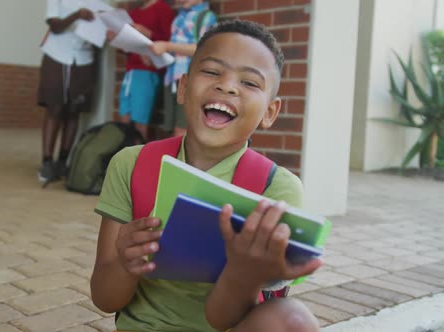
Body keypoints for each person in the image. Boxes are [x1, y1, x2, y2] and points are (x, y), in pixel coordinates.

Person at [91, 20, 323, 331]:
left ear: (269, 112)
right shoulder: (132, 165)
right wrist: (126, 263)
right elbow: (104, 298)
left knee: (291, 319)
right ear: (184, 88)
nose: (227, 86)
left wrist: (242, 272)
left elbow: (221, 318)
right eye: (212, 72)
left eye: (250, 83)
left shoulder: (275, 189)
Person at [37, 0, 98, 184]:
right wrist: (77, 15)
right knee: (54, 109)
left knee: (74, 111)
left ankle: (63, 162)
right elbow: (55, 26)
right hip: (57, 55)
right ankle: (47, 162)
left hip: (84, 58)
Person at [150, 0, 217, 137]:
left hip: (190, 80)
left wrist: (168, 46)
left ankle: (180, 159)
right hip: (172, 78)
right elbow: (175, 47)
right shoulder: (179, 18)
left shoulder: (206, 17)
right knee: (173, 128)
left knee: (183, 130)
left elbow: (205, 48)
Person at [112, 0, 175, 140]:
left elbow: (170, 42)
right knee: (124, 118)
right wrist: (116, 40)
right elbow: (129, 48)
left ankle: (138, 159)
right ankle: (124, 158)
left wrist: (149, 34)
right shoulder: (134, 12)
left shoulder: (162, 9)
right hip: (131, 71)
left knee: (141, 121)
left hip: (148, 72)